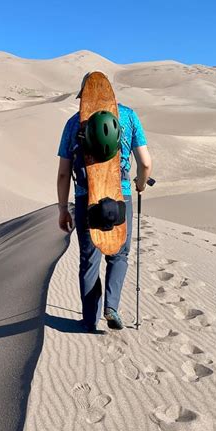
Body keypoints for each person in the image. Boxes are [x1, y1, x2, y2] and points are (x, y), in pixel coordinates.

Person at [56, 72, 152, 332]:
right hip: (120, 195)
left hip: (86, 196)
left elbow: (64, 172)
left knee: (89, 259)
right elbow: (145, 162)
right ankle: (112, 306)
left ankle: (89, 319)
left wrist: (63, 209)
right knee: (119, 254)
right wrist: (140, 184)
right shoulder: (129, 116)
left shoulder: (73, 123)